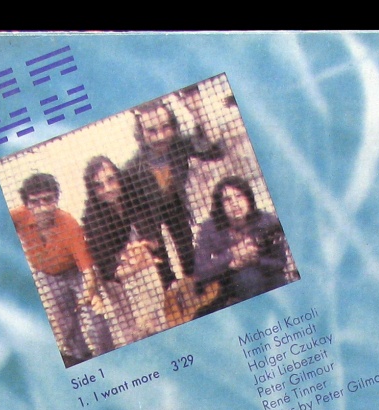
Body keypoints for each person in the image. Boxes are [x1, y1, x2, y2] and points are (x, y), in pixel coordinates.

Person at [121, 98, 224, 306]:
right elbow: (128, 203)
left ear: (174, 126)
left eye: (165, 127)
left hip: (174, 203)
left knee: (187, 248)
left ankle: (199, 292)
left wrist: (198, 110)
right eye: (152, 131)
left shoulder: (179, 145)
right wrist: (143, 234)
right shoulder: (133, 166)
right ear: (141, 134)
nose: (160, 136)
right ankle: (174, 298)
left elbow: (214, 151)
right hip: (146, 212)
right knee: (161, 259)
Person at [10, 172, 111, 366]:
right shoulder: (18, 216)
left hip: (76, 272)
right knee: (65, 324)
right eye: (35, 202)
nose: (42, 208)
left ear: (56, 199)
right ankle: (81, 359)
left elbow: (87, 269)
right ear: (26, 204)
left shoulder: (69, 224)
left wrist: (89, 293)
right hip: (47, 275)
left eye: (48, 200)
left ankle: (108, 356)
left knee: (95, 319)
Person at [81, 156, 166, 346]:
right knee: (135, 331)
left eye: (111, 180)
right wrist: (130, 265)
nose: (107, 189)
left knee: (157, 320)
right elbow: (106, 266)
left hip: (144, 264)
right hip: (118, 278)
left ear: (118, 177)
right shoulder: (92, 217)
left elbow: (152, 235)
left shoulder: (133, 196)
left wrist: (146, 247)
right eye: (99, 185)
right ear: (92, 190)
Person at [192, 177, 289, 315]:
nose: (235, 203)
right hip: (225, 283)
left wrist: (256, 260)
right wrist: (232, 255)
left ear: (248, 198)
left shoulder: (267, 221)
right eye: (227, 200)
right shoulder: (209, 227)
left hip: (266, 274)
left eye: (239, 196)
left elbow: (280, 262)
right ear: (220, 205)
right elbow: (200, 270)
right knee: (247, 278)